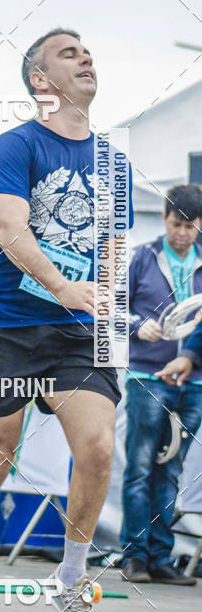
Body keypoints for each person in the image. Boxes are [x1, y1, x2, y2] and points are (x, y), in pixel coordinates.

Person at [0, 28, 132, 612]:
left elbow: (112, 249)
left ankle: (73, 586)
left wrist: (108, 298)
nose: (87, 58)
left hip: (77, 332)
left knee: (97, 448)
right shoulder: (14, 145)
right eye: (70, 54)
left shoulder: (113, 162)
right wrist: (62, 285)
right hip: (3, 321)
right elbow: (11, 229)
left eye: (89, 52)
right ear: (40, 80)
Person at [121, 185, 202, 586]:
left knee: (170, 470)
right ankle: (134, 556)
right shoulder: (144, 257)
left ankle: (160, 557)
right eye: (176, 224)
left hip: (193, 381)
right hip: (147, 376)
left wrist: (191, 358)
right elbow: (116, 307)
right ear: (165, 219)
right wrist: (140, 326)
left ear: (199, 224)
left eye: (189, 226)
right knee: (138, 468)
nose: (182, 233)